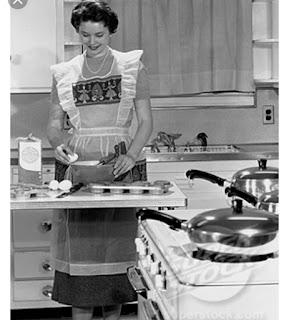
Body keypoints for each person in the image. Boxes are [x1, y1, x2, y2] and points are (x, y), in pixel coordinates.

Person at [46, 1, 153, 319]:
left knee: (117, 257)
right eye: (85, 35)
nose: (92, 42)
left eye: (99, 35)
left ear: (110, 32)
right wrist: (57, 144)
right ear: (77, 32)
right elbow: (54, 123)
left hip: (120, 166)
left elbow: (146, 121)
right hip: (78, 170)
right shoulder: (64, 73)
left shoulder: (133, 67)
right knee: (82, 259)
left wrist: (132, 155)